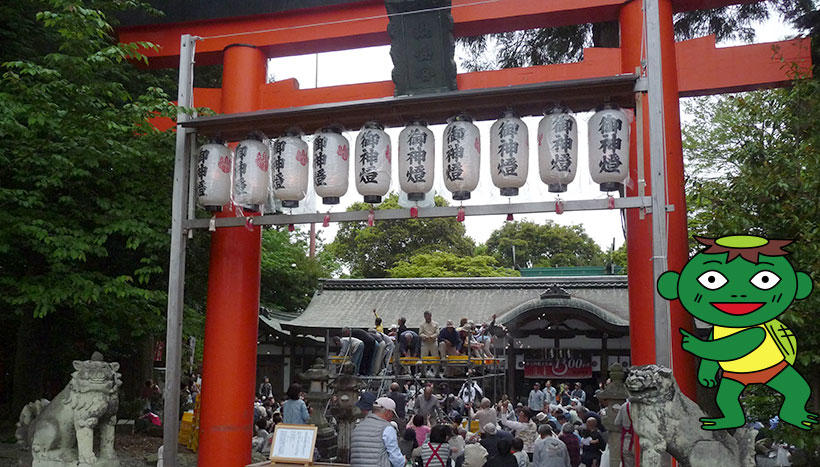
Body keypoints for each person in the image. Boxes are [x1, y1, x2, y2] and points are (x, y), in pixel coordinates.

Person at [350, 397, 405, 467]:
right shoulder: (387, 428)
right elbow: (396, 460)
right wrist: (403, 461)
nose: (392, 417)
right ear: (388, 412)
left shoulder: (357, 428)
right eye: (392, 415)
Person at [419, 311, 440, 375]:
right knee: (423, 358)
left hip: (433, 342)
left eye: (428, 316)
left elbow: (437, 332)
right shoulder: (422, 324)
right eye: (426, 316)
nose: (427, 317)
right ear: (424, 317)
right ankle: (423, 374)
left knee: (435, 358)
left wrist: (432, 337)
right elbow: (420, 333)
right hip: (425, 343)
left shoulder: (436, 324)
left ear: (431, 316)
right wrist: (425, 337)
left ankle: (437, 373)